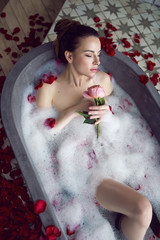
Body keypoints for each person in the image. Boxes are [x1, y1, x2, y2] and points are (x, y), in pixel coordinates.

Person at [36, 19, 153, 240]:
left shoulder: (103, 81)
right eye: (89, 55)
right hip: (84, 166)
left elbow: (119, 116)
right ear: (69, 56)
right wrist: (73, 110)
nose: (98, 61)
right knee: (143, 209)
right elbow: (41, 134)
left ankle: (123, 220)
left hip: (115, 150)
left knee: (141, 212)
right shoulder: (49, 88)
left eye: (99, 54)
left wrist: (107, 113)